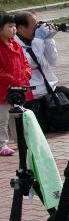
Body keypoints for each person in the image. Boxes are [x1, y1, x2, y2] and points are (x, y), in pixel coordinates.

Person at [14, 11, 69, 134]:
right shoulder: (15, 45)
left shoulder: (37, 40)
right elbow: (33, 62)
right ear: (21, 28)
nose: (38, 28)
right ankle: (45, 117)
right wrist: (38, 39)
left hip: (49, 89)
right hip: (33, 95)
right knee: (40, 130)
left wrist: (49, 39)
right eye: (35, 26)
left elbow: (53, 61)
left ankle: (48, 115)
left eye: (38, 24)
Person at [0, 13, 32, 156]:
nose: (13, 29)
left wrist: (26, 73)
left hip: (17, 88)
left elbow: (25, 62)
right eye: (10, 26)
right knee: (3, 118)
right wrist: (12, 78)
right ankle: (2, 144)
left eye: (14, 26)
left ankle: (20, 140)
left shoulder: (15, 44)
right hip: (3, 90)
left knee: (17, 115)